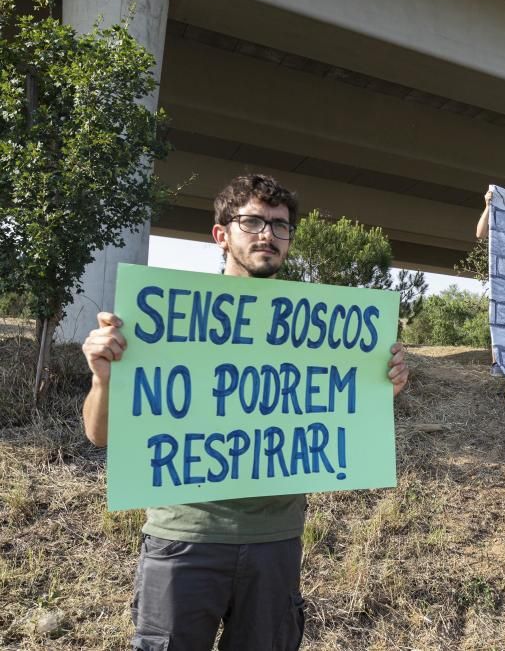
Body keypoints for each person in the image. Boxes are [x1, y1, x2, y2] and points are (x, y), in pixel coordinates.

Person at [81, 174, 410, 651]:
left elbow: (344, 414)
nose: (267, 235)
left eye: (280, 226)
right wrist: (103, 378)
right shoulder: (166, 323)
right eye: (252, 221)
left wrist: (385, 387)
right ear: (221, 235)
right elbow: (100, 435)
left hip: (276, 539)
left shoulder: (316, 329)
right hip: (184, 537)